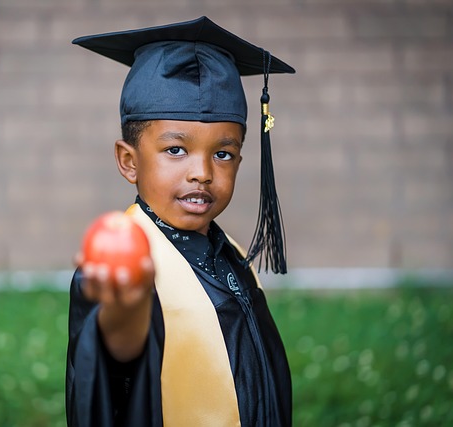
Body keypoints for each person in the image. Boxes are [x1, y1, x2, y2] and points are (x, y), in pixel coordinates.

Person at [66, 16, 295, 426]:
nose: (202, 172)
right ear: (129, 161)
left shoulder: (231, 256)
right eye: (175, 150)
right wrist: (123, 314)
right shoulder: (126, 266)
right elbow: (111, 374)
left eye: (223, 154)